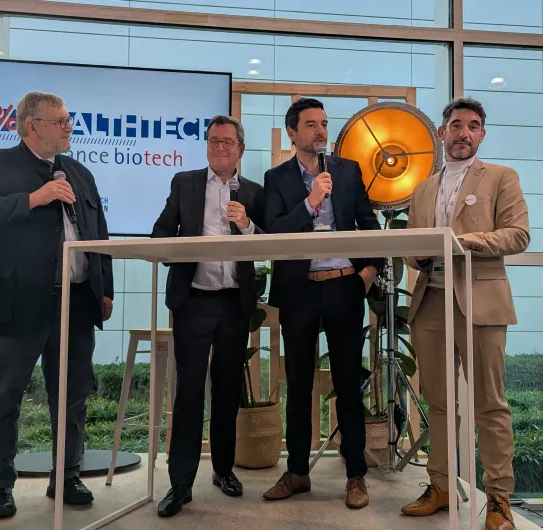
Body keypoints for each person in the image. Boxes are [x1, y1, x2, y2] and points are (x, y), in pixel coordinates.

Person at [0, 90, 114, 520]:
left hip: (76, 304)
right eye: (60, 121)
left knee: (73, 398)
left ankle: (66, 476)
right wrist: (33, 199)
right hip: (17, 303)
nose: (68, 128)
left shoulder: (79, 172)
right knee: (3, 398)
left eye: (68, 120)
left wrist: (105, 289)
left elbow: (98, 232)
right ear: (32, 125)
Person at [400, 97, 529, 530]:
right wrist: (417, 255)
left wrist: (462, 242)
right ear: (442, 133)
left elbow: (518, 234)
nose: (464, 133)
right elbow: (412, 249)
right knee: (438, 403)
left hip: (481, 302)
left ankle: (498, 500)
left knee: (490, 404)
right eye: (456, 125)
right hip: (430, 303)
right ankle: (440, 486)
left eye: (473, 126)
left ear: (482, 135)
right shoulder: (422, 189)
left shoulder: (501, 177)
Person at [261, 97, 382, 510]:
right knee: (298, 385)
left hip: (345, 285)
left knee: (348, 384)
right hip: (299, 290)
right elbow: (274, 232)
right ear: (292, 132)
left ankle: (355, 476)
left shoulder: (347, 170)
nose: (320, 131)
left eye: (324, 124)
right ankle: (297, 472)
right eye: (311, 125)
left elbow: (369, 225)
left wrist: (368, 273)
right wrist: (311, 202)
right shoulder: (276, 177)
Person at [150, 115, 265, 518]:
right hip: (194, 300)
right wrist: (185, 246)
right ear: (206, 146)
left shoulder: (253, 192)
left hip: (235, 302)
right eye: (214, 141)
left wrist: (246, 225)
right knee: (189, 394)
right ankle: (180, 484)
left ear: (240, 149)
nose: (220, 148)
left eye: (227, 142)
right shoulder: (185, 183)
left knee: (228, 390)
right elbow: (160, 233)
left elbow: (269, 243)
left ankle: (223, 469)